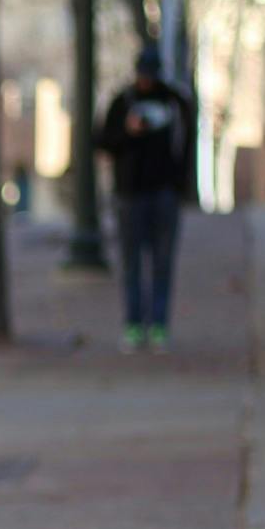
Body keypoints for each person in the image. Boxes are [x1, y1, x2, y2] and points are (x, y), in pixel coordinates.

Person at [98, 48, 195, 354]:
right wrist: (128, 132)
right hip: (130, 194)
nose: (146, 80)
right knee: (132, 263)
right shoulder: (123, 102)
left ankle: (159, 325)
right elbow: (102, 140)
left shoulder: (175, 103)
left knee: (162, 262)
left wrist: (180, 184)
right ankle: (133, 324)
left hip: (164, 192)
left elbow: (187, 144)